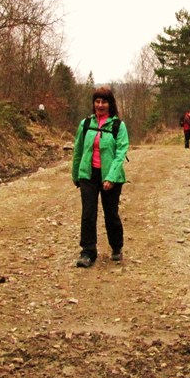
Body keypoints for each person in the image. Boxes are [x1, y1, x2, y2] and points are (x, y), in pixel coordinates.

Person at [72, 86, 130, 267]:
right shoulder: (85, 124)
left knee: (111, 214)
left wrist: (111, 177)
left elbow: (120, 153)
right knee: (88, 214)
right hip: (88, 174)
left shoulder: (118, 126)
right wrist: (76, 174)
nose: (100, 105)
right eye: (97, 101)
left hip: (111, 176)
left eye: (104, 101)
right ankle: (88, 252)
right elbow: (78, 150)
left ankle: (116, 247)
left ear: (110, 104)